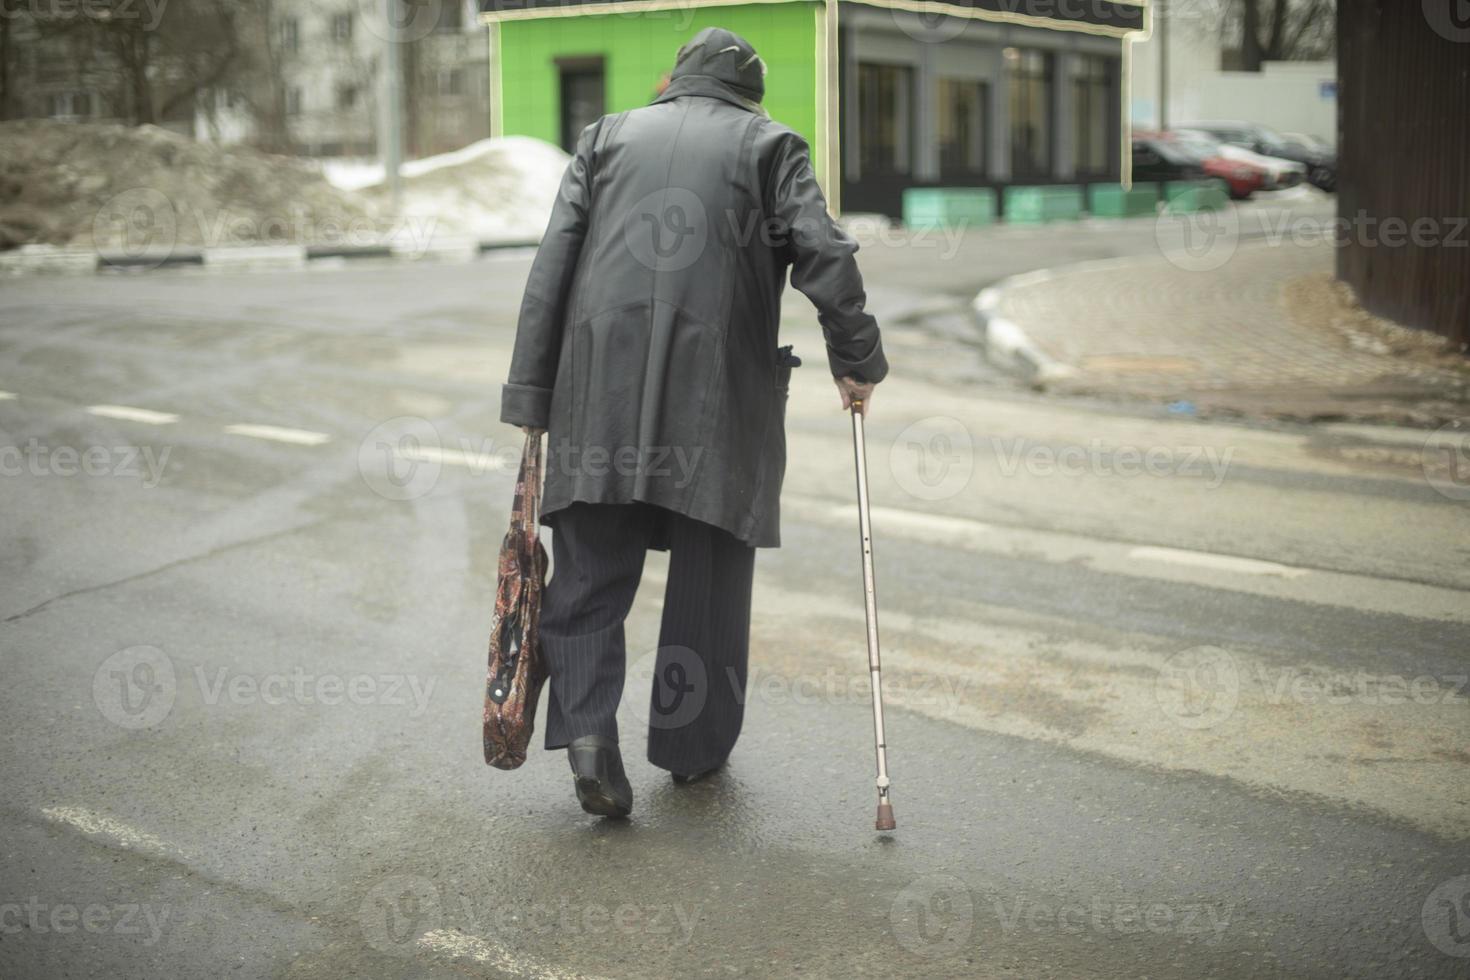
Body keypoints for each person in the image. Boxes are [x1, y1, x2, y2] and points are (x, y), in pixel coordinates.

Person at [500, 26, 887, 818]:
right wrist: (857, 359)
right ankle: (691, 747)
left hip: (596, 391)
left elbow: (551, 272)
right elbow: (824, 254)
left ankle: (588, 737)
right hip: (718, 399)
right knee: (710, 573)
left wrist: (532, 399)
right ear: (748, 94)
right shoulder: (769, 145)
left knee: (588, 574)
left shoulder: (604, 139)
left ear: (675, 80)